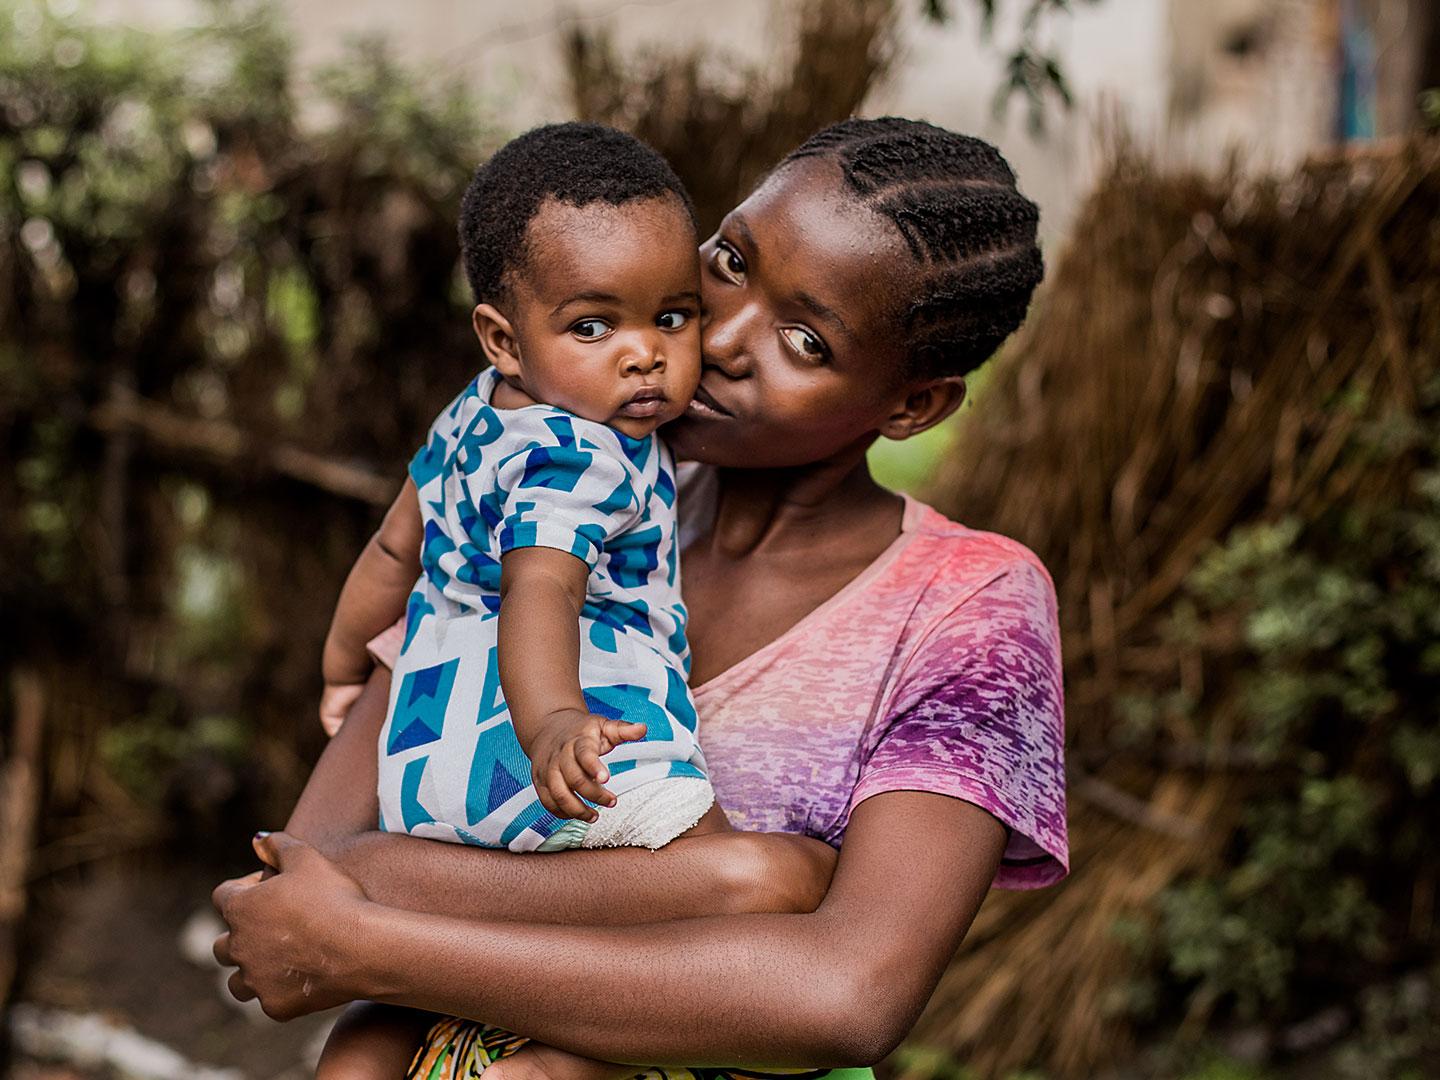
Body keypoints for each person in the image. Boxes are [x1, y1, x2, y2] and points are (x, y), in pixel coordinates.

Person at [212, 117, 1068, 1080]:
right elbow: (321, 853)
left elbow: (843, 997)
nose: (722, 340)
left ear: (912, 407)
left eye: (804, 339)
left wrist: (374, 944)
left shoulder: (966, 606)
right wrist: (734, 885)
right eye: (730, 262)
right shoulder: (548, 468)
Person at [316, 122, 733, 1080]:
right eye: (594, 326)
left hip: (425, 773)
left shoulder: (468, 419)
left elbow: (391, 549)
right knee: (733, 904)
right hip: (562, 754)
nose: (644, 357)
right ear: (504, 337)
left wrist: (341, 667)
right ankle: (563, 1060)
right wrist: (554, 726)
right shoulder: (583, 453)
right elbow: (540, 587)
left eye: (672, 317)